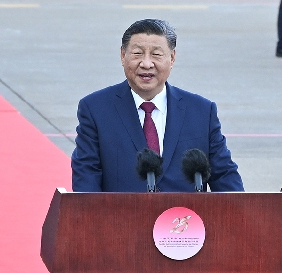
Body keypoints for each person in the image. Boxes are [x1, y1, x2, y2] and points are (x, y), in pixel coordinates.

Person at [70, 19, 243, 193]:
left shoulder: (201, 111)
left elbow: (225, 176)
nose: (146, 63)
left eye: (156, 54)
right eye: (137, 53)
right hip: (121, 218)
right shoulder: (95, 109)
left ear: (172, 58)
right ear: (123, 55)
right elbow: (86, 178)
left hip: (185, 219)